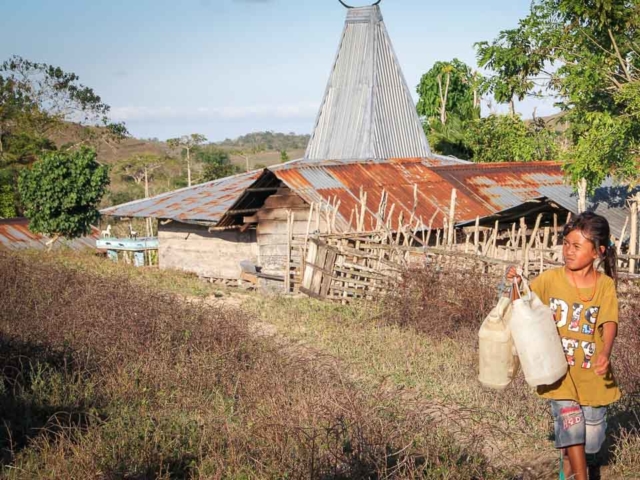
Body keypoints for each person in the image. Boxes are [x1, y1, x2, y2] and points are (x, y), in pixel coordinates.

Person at [506, 211, 620, 480]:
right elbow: (522, 303)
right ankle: (579, 476)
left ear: (597, 252)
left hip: (591, 374)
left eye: (576, 246)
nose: (568, 251)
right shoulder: (550, 279)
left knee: (591, 437)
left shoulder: (605, 286)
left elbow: (609, 322)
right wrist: (514, 283)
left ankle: (569, 459)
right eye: (566, 243)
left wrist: (605, 353)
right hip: (559, 372)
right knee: (570, 426)